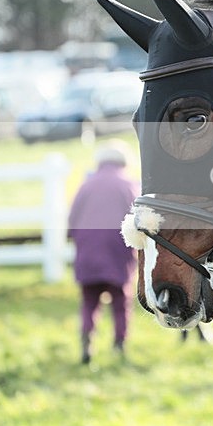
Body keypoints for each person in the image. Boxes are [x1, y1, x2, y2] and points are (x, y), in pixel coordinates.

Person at [68, 139, 139, 364]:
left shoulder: (86, 185)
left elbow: (72, 219)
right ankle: (119, 344)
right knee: (120, 300)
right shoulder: (127, 185)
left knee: (89, 300)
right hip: (117, 250)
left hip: (88, 250)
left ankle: (87, 342)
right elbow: (138, 219)